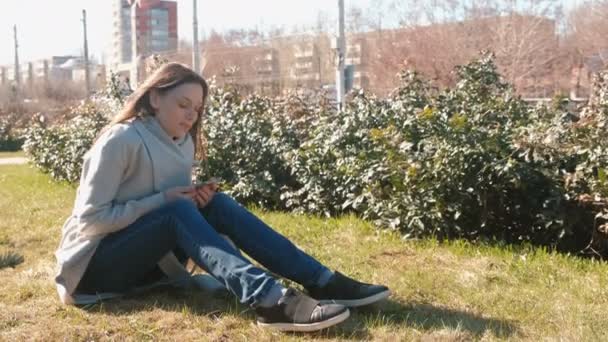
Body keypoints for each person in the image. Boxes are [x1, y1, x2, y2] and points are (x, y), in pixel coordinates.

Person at [54, 62, 389, 332]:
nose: (191, 115)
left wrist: (191, 198)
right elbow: (90, 220)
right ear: (155, 98)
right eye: (182, 104)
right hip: (91, 272)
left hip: (147, 267)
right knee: (175, 210)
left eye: (197, 109)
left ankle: (321, 280)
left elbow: (163, 210)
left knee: (215, 203)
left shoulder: (181, 143)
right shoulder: (120, 140)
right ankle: (270, 300)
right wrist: (165, 200)